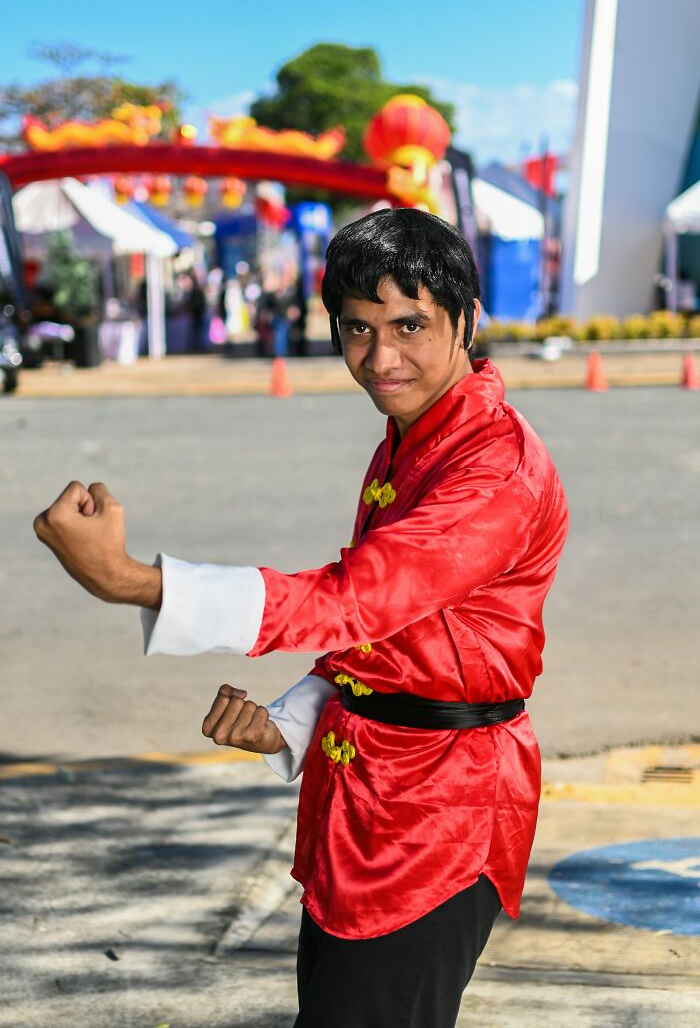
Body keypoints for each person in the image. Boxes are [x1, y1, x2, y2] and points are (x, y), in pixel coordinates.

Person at [33, 208, 568, 1028]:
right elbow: (394, 631)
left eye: (410, 326)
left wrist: (133, 582)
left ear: (466, 321)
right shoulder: (416, 434)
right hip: (368, 805)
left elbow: (358, 597)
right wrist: (289, 725)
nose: (381, 359)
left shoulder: (490, 469)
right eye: (358, 328)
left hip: (439, 821)